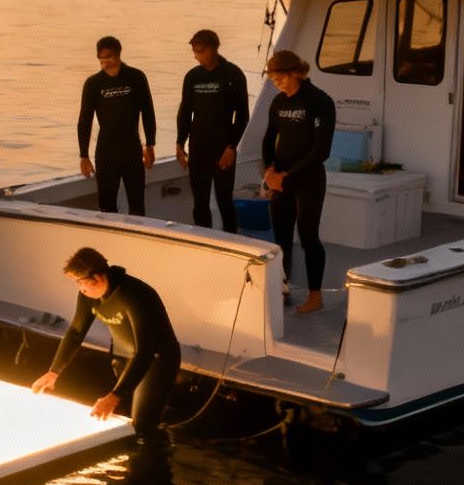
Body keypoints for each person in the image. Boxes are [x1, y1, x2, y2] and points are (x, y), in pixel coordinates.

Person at [31, 247, 180, 435]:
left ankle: (154, 452)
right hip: (123, 357)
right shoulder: (88, 297)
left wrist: (114, 395)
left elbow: (145, 350)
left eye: (81, 282)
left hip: (156, 360)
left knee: (141, 425)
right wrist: (53, 372)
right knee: (118, 422)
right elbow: (76, 332)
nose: (81, 289)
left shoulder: (135, 294)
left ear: (98, 278)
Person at [259, 49, 337, 314]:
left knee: (307, 236)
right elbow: (269, 140)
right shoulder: (279, 103)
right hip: (281, 181)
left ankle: (316, 296)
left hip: (308, 179)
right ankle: (282, 290)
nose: (274, 82)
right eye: (271, 77)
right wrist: (269, 172)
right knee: (280, 239)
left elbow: (321, 150)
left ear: (295, 72)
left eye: (278, 76)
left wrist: (287, 176)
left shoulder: (320, 102)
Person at [174, 29, 250, 232]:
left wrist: (231, 147)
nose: (196, 55)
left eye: (200, 51)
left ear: (214, 49)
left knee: (224, 200)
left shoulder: (232, 74)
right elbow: (184, 112)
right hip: (198, 147)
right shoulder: (193, 76)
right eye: (195, 51)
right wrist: (180, 143)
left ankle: (232, 241)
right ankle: (204, 242)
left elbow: (242, 115)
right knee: (200, 202)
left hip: (223, 147)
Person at [77, 35, 157, 215]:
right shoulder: (93, 84)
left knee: (137, 205)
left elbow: (148, 112)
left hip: (132, 150)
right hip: (106, 152)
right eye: (101, 60)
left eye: (109, 58)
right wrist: (84, 155)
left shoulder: (136, 77)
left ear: (118, 55)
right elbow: (84, 121)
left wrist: (150, 144)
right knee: (106, 207)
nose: (105, 64)